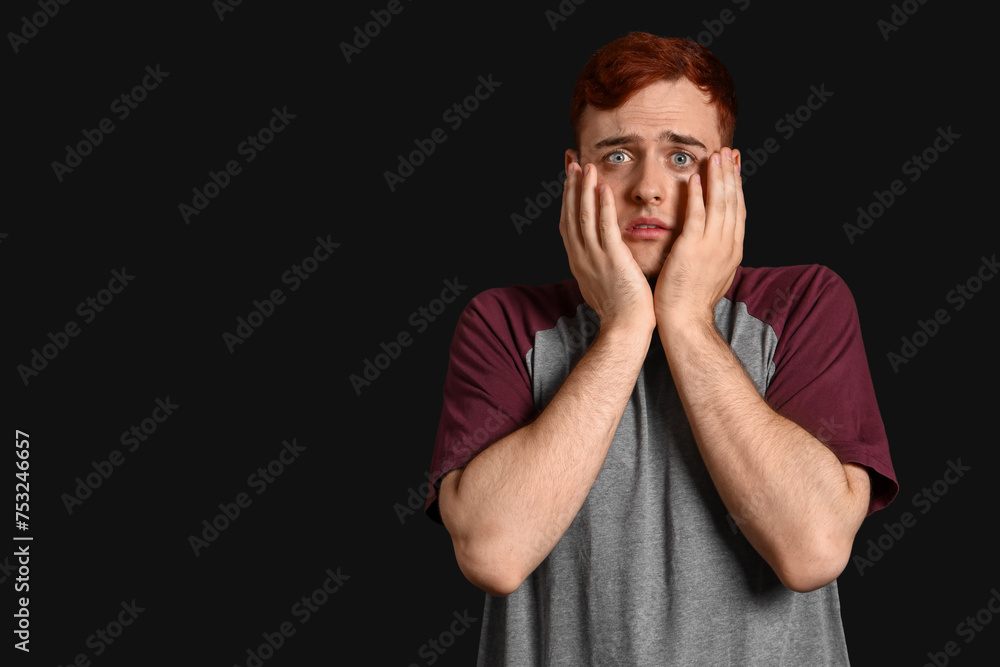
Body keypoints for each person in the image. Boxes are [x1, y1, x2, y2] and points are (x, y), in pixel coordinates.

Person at [424, 31, 898, 665]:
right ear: (575, 176)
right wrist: (623, 329)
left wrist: (685, 320)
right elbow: (493, 553)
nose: (647, 188)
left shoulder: (806, 304)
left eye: (682, 157)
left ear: (728, 171)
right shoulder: (504, 323)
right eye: (618, 155)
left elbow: (811, 550)